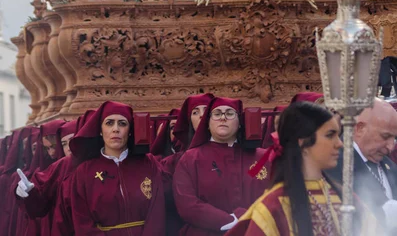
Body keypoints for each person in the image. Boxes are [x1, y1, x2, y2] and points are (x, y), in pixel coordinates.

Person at [229, 101, 376, 236]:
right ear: (303, 142)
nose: (339, 143)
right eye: (330, 135)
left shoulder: (346, 197)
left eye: (339, 135)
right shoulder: (274, 207)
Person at [173, 96, 270, 235]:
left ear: (240, 122)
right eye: (217, 114)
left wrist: (248, 218)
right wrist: (228, 220)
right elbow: (186, 203)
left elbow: (276, 197)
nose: (223, 118)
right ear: (207, 123)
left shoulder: (263, 158)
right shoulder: (190, 158)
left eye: (230, 114)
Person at [67, 101, 166, 235]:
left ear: (130, 131)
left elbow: (157, 210)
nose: (116, 129)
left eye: (122, 123)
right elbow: (82, 220)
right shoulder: (84, 172)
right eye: (109, 123)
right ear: (100, 131)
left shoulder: (148, 163)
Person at [327, 98, 397, 234]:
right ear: (359, 129)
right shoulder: (335, 164)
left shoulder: (388, 163)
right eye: (385, 136)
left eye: (394, 138)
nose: (391, 147)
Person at [15, 120, 77, 236]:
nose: (51, 153)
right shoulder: (55, 168)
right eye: (63, 144)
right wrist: (29, 192)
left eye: (54, 146)